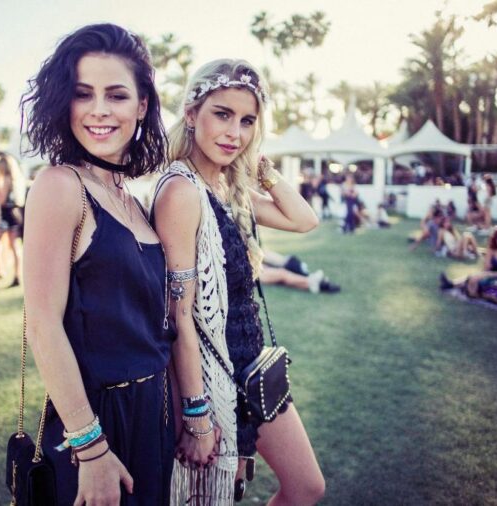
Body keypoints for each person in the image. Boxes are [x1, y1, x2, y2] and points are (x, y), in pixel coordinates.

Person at [152, 59, 324, 505]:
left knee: (306, 487)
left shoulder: (231, 190)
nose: (235, 133)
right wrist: (196, 414)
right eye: (223, 114)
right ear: (192, 114)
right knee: (218, 495)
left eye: (247, 121)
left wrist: (261, 170)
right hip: (211, 374)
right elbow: (179, 316)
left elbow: (304, 219)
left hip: (251, 367)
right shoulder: (181, 191)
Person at [20, 23, 174, 505]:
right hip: (95, 424)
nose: (99, 110)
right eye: (83, 94)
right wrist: (90, 447)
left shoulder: (134, 199)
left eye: (116, 95)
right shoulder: (60, 186)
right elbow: (41, 323)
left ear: (142, 106)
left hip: (154, 416)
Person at [0, 153, 26, 291]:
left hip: (6, 216)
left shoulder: (6, 180)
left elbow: (1, 200)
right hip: (15, 214)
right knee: (15, 247)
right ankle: (17, 276)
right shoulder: (16, 180)